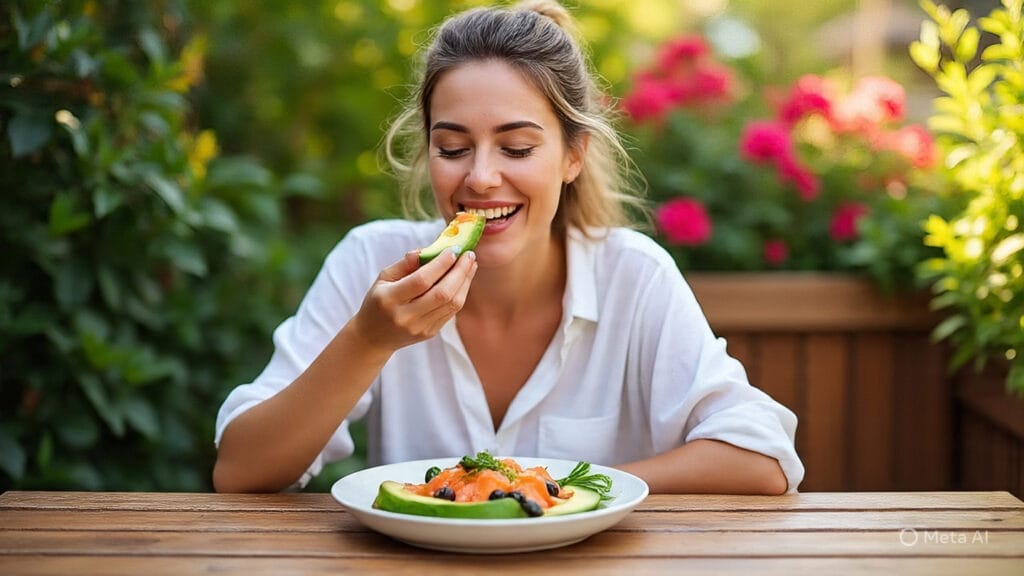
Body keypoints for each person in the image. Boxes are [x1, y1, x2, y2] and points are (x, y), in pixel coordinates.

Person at [212, 0, 804, 495]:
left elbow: (762, 457)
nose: (481, 178)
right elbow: (240, 472)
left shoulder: (634, 275)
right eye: (452, 148)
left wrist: (552, 494)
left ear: (573, 156)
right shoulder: (371, 262)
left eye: (516, 148)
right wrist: (368, 341)